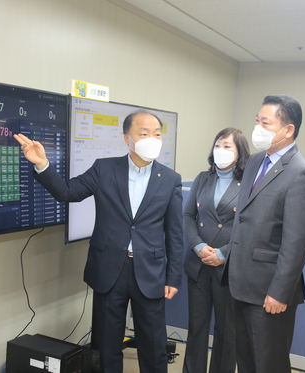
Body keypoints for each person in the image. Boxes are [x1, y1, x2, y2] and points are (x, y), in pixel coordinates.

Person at [14, 110, 184, 373]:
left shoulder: (170, 179)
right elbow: (67, 192)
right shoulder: (104, 169)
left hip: (150, 273)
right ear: (128, 138)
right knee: (107, 345)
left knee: (153, 346)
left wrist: (173, 277)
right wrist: (42, 165)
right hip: (109, 270)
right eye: (144, 133)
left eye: (157, 134)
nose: (153, 139)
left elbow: (174, 232)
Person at [223, 94, 305, 373]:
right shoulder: (255, 161)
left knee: (269, 364)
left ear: (288, 129)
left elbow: (296, 243)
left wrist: (279, 293)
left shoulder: (303, 173)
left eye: (265, 122)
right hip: (240, 283)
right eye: (257, 120)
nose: (258, 127)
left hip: (269, 292)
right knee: (246, 362)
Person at [183, 128, 250, 373]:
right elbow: (189, 215)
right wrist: (198, 246)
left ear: (240, 152)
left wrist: (222, 253)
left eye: (227, 146)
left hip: (227, 267)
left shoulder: (249, 183)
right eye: (218, 145)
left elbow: (247, 226)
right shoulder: (203, 178)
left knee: (226, 331)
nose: (220, 151)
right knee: (196, 328)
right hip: (198, 265)